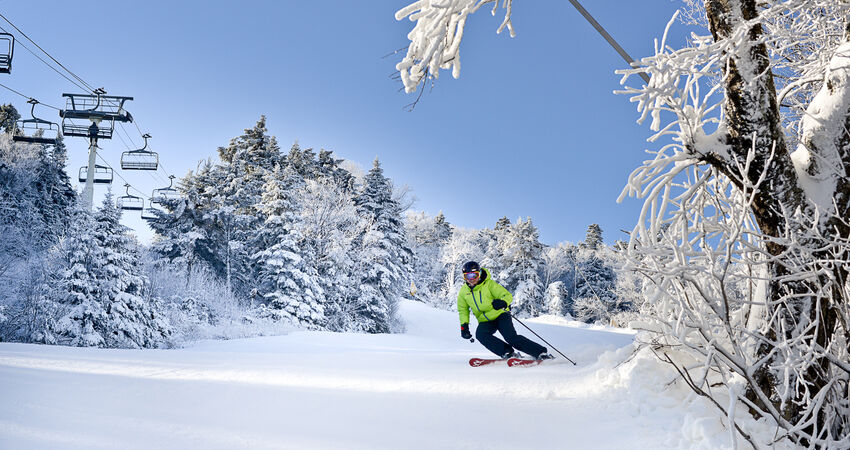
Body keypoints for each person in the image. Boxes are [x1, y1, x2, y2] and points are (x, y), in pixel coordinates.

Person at [457, 261, 553, 360]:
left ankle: (540, 352)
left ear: (479, 273)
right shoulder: (464, 292)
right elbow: (463, 309)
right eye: (467, 276)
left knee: (511, 338)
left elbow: (507, 295)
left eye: (474, 275)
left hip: (500, 315)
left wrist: (503, 302)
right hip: (485, 320)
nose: (471, 279)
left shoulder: (489, 284)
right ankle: (507, 352)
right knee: (481, 335)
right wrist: (464, 326)